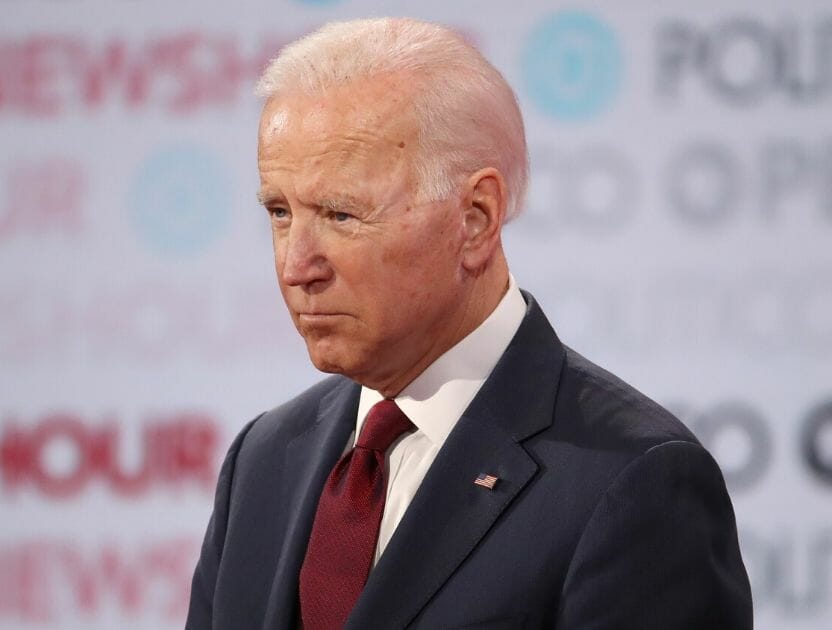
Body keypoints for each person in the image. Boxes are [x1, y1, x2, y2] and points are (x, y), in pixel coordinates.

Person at [186, 17, 752, 630]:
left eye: (341, 214)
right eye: (279, 212)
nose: (297, 266)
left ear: (476, 219)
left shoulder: (634, 483)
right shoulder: (264, 458)